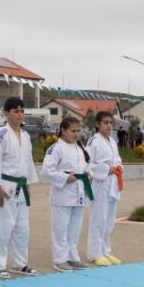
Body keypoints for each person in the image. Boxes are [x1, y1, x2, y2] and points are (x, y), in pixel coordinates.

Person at [0, 96, 39, 276]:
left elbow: (28, 162)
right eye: (15, 111)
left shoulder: (25, 136)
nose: (20, 114)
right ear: (6, 113)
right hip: (5, 185)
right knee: (3, 228)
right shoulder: (0, 134)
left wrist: (29, 184)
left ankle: (19, 263)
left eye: (22, 110)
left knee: (22, 228)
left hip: (22, 186)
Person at [42, 116, 94, 271]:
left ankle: (72, 256)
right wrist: (65, 177)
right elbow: (47, 170)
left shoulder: (80, 147)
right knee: (60, 228)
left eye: (78, 131)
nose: (76, 134)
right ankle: (60, 259)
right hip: (63, 194)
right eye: (73, 131)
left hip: (78, 193)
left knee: (74, 228)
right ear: (63, 131)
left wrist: (89, 174)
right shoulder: (56, 148)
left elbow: (85, 166)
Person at [86, 111, 123, 266]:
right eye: (105, 122)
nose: (109, 125)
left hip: (113, 183)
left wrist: (118, 167)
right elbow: (89, 164)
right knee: (98, 220)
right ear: (97, 124)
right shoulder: (94, 141)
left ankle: (106, 251)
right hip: (100, 184)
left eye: (110, 123)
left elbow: (117, 159)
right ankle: (95, 253)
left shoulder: (112, 141)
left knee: (109, 221)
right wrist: (106, 169)